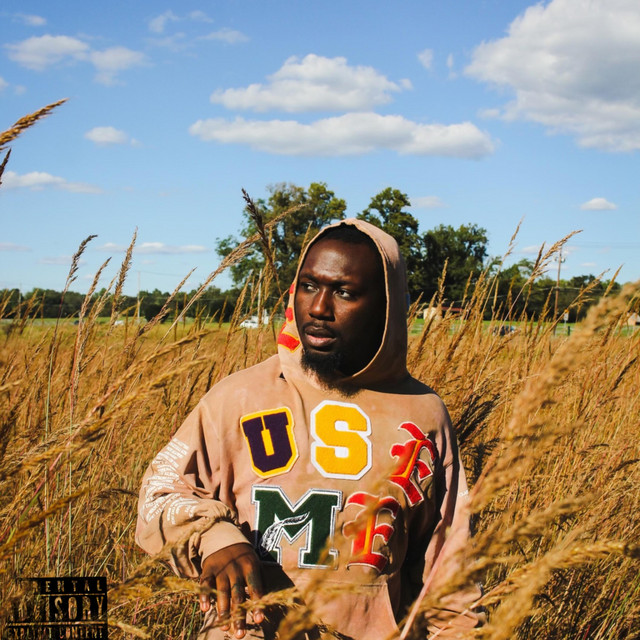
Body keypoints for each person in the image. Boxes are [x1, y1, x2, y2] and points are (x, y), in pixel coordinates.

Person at [136, 219, 482, 639]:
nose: (318, 308)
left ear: (387, 307)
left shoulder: (423, 413)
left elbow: (447, 567)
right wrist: (215, 538)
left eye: (344, 292)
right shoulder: (239, 397)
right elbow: (158, 494)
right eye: (308, 286)